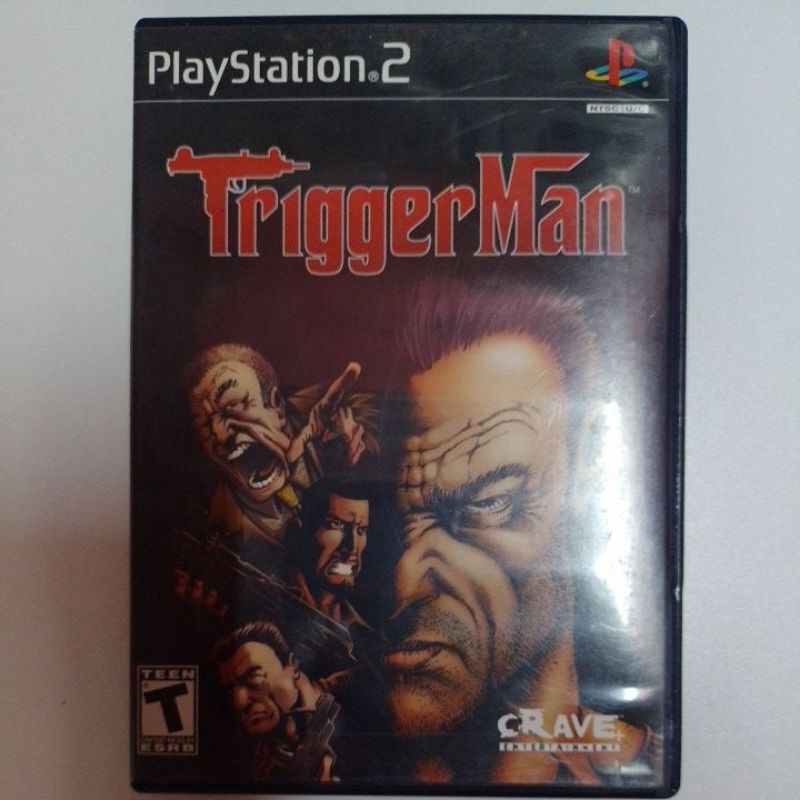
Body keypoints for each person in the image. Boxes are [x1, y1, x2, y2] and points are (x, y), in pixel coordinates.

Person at [382, 278, 661, 785]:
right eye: (403, 514)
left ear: (587, 466)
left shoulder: (645, 764)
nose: (408, 579)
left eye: (489, 503)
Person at [185, 343, 373, 569]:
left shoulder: (327, 434)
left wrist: (341, 466)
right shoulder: (215, 533)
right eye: (204, 428)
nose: (220, 434)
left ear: (275, 403)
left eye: (232, 406)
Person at [210, 621, 340, 782]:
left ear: (291, 666)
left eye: (254, 677)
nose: (239, 701)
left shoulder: (344, 737)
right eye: (230, 690)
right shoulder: (257, 758)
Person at [291, 479, 372, 629]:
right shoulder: (275, 605)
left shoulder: (361, 633)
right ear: (302, 529)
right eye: (337, 525)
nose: (352, 547)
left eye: (361, 530)